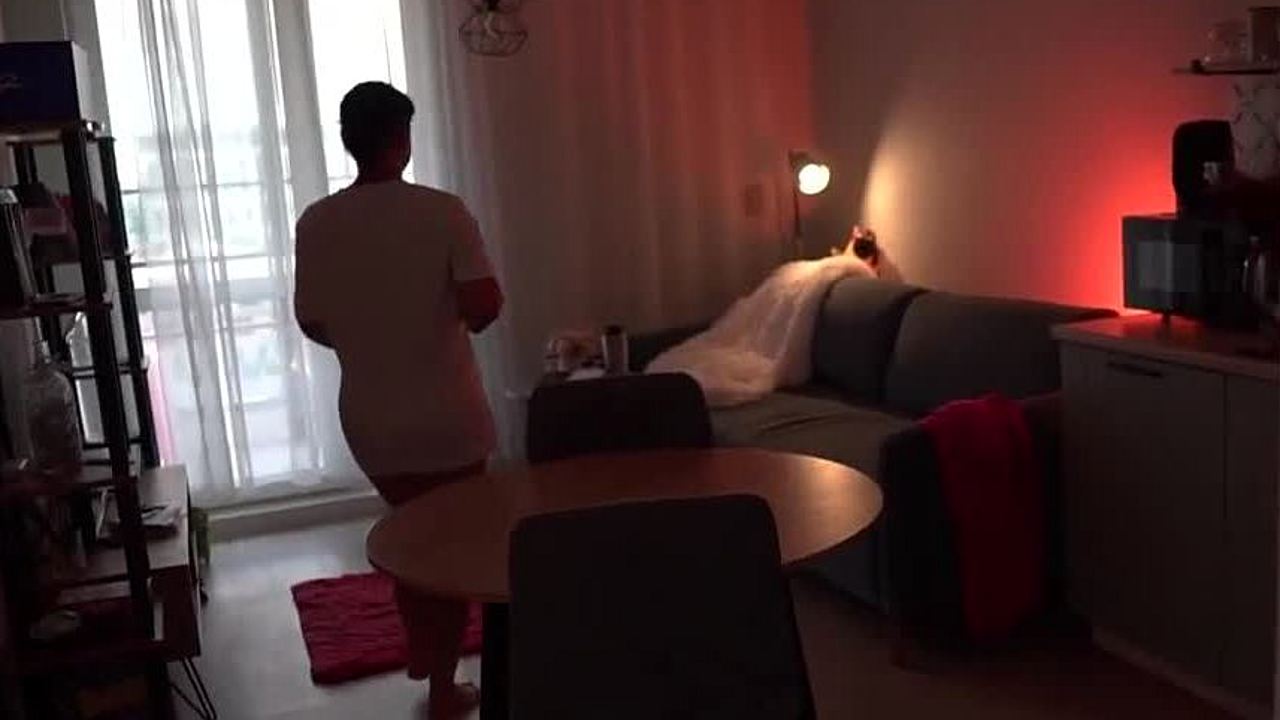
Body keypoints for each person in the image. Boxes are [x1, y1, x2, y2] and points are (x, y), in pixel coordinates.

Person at [293, 81, 503, 718]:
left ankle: (430, 661)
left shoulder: (316, 222)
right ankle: (442, 684)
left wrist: (371, 334)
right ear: (402, 140)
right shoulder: (443, 212)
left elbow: (313, 321)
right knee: (454, 550)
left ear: (347, 141)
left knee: (414, 539)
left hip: (372, 420)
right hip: (446, 416)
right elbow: (484, 307)